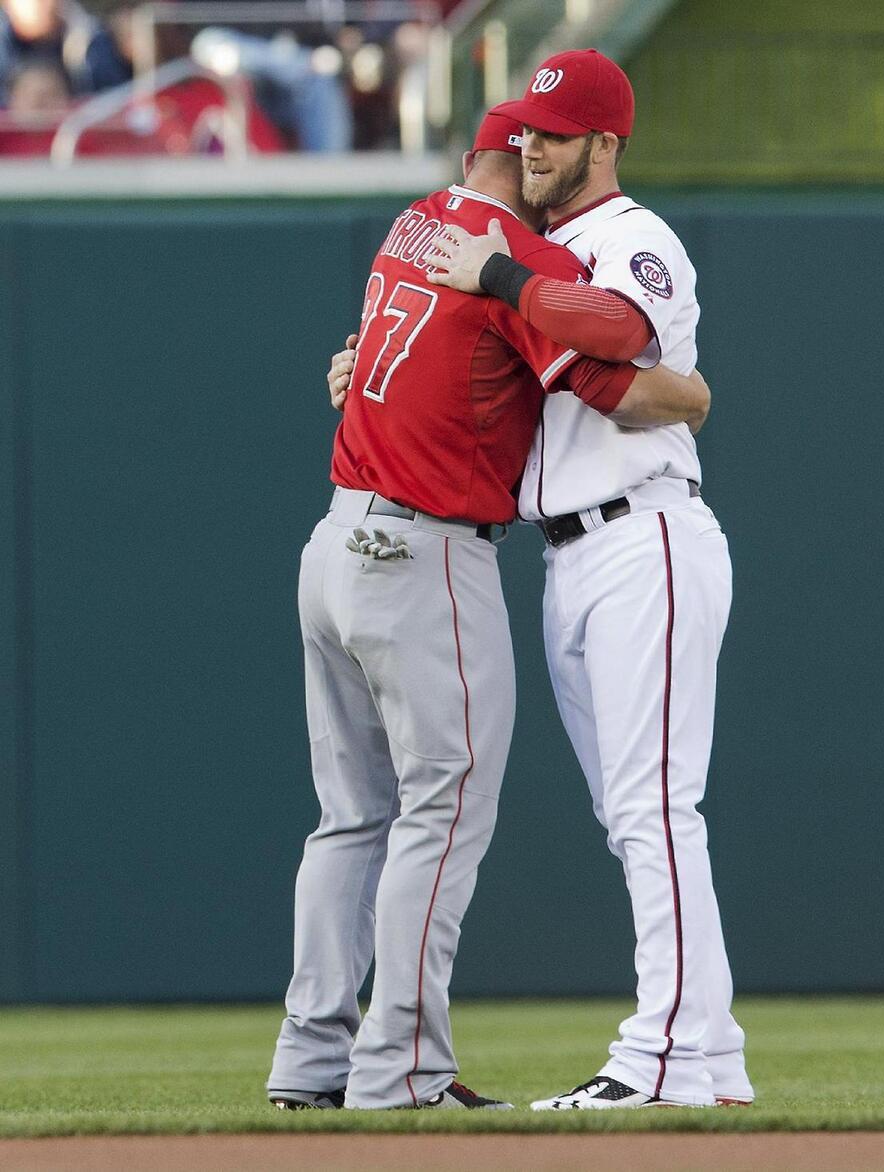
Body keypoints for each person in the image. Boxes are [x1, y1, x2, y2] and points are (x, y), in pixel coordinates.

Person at [267, 110, 709, 1113]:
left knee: (350, 818)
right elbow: (612, 379)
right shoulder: (507, 245)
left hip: (333, 541)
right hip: (421, 551)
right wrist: (688, 395)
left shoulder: (411, 224)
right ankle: (401, 1069)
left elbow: (395, 361)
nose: (548, 164)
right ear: (519, 158)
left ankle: (310, 1059)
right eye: (539, 148)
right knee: (444, 808)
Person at [416, 50, 756, 1110]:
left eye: (554, 135)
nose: (531, 146)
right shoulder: (546, 243)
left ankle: (656, 1057)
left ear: (605, 141)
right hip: (568, 552)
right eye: (526, 130)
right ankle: (706, 1053)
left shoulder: (632, 236)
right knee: (640, 817)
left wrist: (508, 280)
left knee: (658, 807)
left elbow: (625, 332)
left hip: (642, 534)